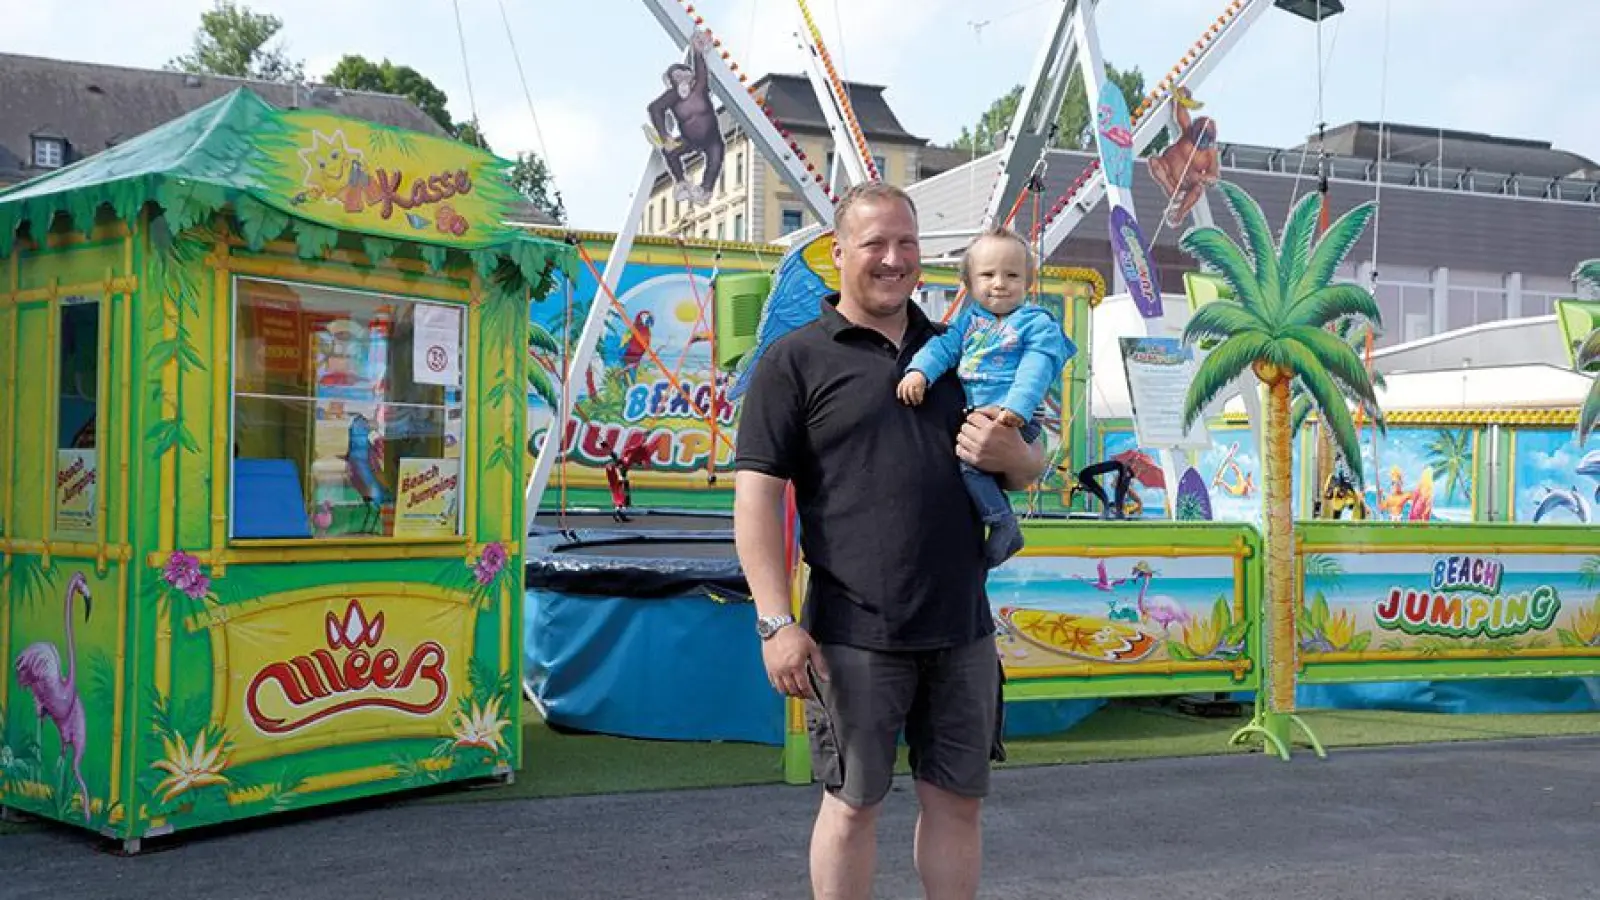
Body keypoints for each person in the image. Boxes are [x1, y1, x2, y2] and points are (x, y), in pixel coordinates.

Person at [733, 182, 1047, 900]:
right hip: (854, 631)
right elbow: (755, 498)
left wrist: (1023, 461)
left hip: (961, 626)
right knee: (852, 805)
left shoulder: (957, 352)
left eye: (907, 243)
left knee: (958, 803)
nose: (893, 258)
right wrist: (775, 621)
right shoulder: (795, 361)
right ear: (839, 252)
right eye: (875, 243)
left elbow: (1024, 461)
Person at [896, 226, 1073, 568]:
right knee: (969, 464)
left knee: (970, 466)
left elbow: (1037, 367)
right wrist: (918, 372)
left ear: (1028, 282)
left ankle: (1003, 522)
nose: (999, 283)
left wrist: (1016, 408)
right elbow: (943, 348)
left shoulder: (1034, 322)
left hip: (1013, 414)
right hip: (981, 413)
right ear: (969, 283)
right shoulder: (970, 322)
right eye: (988, 275)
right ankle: (998, 519)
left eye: (1012, 275)